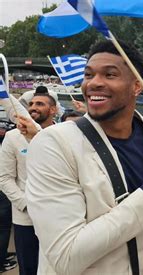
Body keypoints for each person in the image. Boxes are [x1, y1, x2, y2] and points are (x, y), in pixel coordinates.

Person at [25, 40, 143, 274]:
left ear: (136, 85)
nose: (94, 83)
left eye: (110, 74)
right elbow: (66, 256)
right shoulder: (53, 144)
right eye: (89, 75)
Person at [0, 92, 58, 275]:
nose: (33, 107)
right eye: (31, 103)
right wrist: (25, 204)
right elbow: (4, 177)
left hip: (59, 216)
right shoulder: (12, 137)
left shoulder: (64, 135)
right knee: (29, 268)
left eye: (40, 104)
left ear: (53, 110)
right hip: (25, 219)